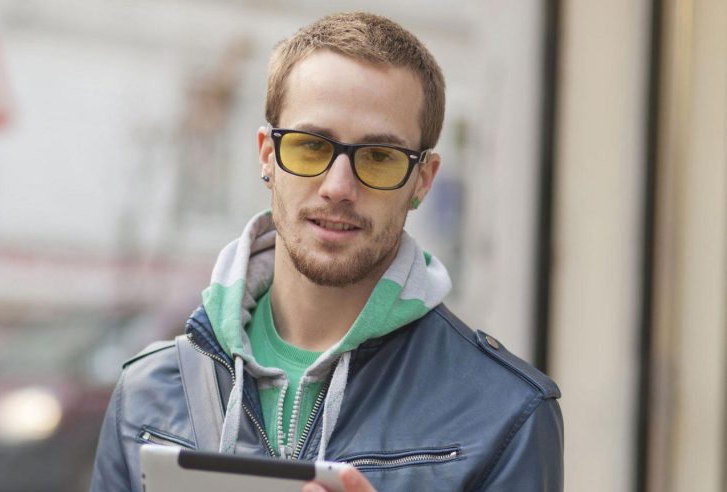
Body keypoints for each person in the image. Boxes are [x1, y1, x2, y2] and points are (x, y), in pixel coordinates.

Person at [90, 11, 563, 492]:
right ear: (267, 156)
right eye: (311, 147)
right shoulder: (148, 394)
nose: (339, 187)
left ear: (423, 180)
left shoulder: (503, 415)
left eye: (379, 157)